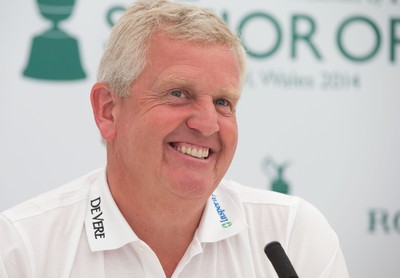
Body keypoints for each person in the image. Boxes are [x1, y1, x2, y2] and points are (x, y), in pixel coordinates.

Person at [0, 0, 349, 277]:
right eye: (178, 93)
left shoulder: (290, 234)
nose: (208, 123)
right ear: (108, 110)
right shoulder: (21, 249)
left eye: (223, 102)